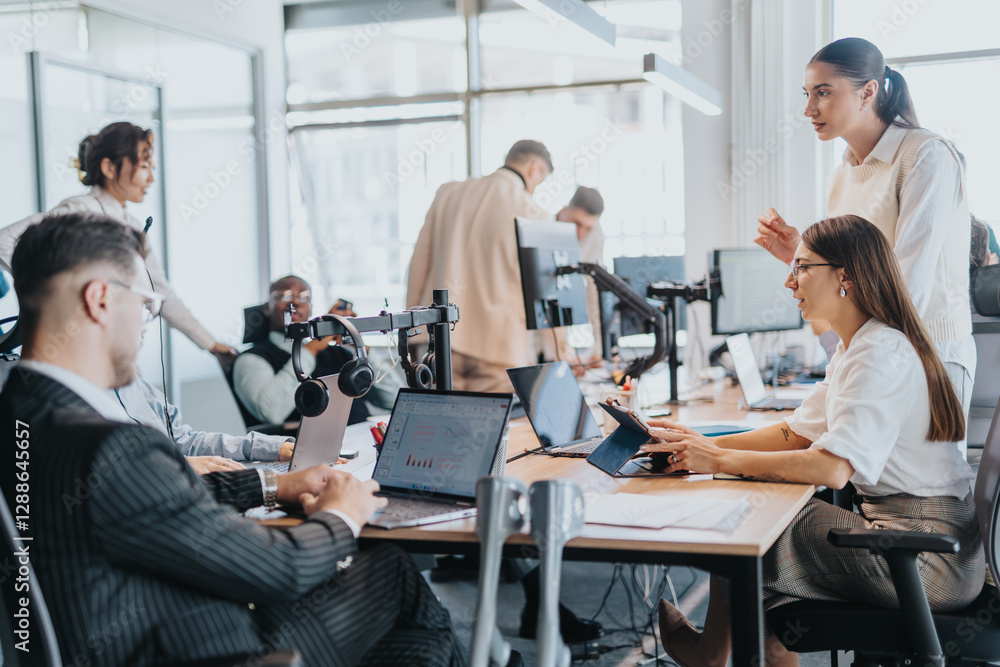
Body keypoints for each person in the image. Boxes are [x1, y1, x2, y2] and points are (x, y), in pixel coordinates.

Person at [0, 212, 468, 667]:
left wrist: (269, 486)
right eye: (146, 303)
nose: (148, 323)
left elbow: (136, 505)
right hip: (208, 647)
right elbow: (282, 571)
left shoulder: (20, 414)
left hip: (134, 632)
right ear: (100, 299)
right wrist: (344, 512)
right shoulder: (110, 446)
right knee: (392, 569)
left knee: (421, 647)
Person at [648, 215, 983, 667]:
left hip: (927, 558)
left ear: (844, 275)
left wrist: (721, 459)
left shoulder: (879, 352)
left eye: (802, 267)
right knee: (757, 507)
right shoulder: (858, 345)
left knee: (748, 522)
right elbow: (795, 433)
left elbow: (831, 468)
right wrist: (702, 443)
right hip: (919, 540)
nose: (789, 281)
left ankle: (711, 652)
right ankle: (747, 648)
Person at [755, 38, 976, 428]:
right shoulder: (842, 175)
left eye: (823, 93)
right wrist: (800, 254)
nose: (809, 109)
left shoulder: (926, 156)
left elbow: (907, 287)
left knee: (898, 484)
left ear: (868, 92)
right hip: (871, 350)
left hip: (927, 352)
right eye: (807, 94)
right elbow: (848, 275)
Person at [0, 121, 235, 365]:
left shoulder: (132, 225)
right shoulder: (81, 210)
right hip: (79, 350)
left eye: (152, 167)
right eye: (144, 166)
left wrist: (209, 343)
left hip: (111, 350)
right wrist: (57, 293)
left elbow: (160, 292)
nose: (151, 178)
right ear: (109, 168)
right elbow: (4, 242)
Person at [406, 139, 552, 392]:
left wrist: (411, 328)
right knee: (491, 430)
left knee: (437, 426)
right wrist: (557, 351)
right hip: (499, 348)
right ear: (535, 169)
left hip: (438, 339)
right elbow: (544, 292)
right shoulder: (535, 214)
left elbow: (419, 263)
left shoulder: (448, 193)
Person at [232, 275, 369, 426]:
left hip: (364, 439)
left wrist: (362, 348)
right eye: (284, 296)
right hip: (311, 446)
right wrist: (310, 350)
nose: (295, 302)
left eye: (304, 297)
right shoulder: (251, 359)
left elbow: (390, 400)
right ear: (267, 307)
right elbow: (270, 412)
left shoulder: (339, 353)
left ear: (311, 308)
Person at [114, 374, 296, 473]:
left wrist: (265, 447)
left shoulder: (137, 386)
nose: (145, 327)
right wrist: (178, 464)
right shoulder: (88, 405)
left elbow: (185, 442)